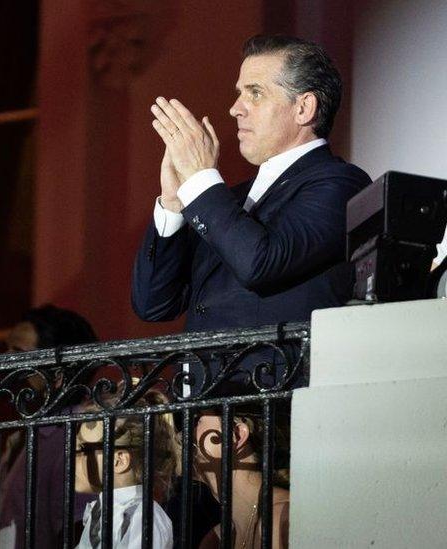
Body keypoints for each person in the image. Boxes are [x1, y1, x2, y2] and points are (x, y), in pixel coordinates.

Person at [132, 35, 371, 335]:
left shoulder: (341, 185)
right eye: (239, 93)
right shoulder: (224, 200)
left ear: (304, 108)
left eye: (255, 93)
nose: (235, 108)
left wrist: (201, 181)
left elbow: (260, 263)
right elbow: (153, 304)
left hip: (277, 381)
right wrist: (173, 204)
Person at [0, 305, 99, 548]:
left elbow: (81, 530)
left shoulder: (77, 437)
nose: (4, 365)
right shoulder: (22, 439)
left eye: (18, 355)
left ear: (58, 375)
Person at [73, 392, 178, 548]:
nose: (73, 459)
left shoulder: (143, 517)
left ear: (119, 460)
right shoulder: (105, 509)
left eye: (83, 450)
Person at [194, 404, 290, 549]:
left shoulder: (285, 517)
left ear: (237, 435)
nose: (184, 431)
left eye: (197, 419)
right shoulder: (214, 539)